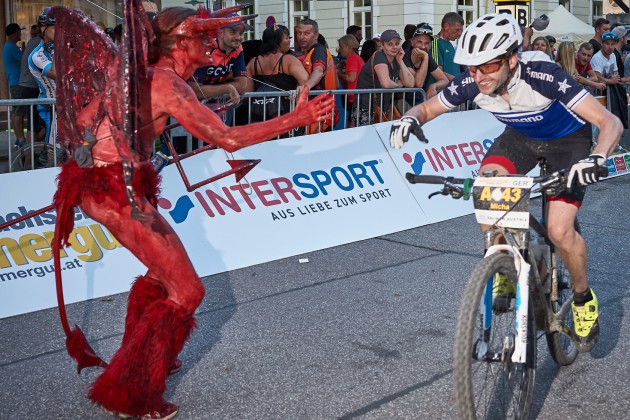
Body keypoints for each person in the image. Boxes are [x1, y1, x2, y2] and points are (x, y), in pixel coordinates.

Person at [50, 5, 333, 419]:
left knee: (160, 275)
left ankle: (145, 355)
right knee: (188, 290)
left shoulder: (148, 76)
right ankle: (132, 392)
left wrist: (109, 149)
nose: (211, 44)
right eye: (203, 38)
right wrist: (297, 117)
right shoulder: (163, 81)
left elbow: (86, 117)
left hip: (108, 184)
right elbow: (227, 140)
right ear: (181, 43)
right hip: (113, 191)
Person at [390, 13, 622, 352]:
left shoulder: (542, 74)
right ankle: (502, 262)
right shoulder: (472, 81)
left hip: (567, 141)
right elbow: (426, 109)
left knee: (559, 230)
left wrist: (597, 158)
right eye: (472, 68)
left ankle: (584, 297)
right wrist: (408, 120)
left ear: (512, 59)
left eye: (488, 67)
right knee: (487, 191)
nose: (479, 77)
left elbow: (609, 121)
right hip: (521, 136)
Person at [245, 24, 308, 125]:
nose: (289, 41)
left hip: (260, 118)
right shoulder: (288, 60)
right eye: (287, 38)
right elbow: (305, 80)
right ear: (277, 42)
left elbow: (247, 91)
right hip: (286, 118)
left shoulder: (253, 62)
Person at [352, 29, 414, 127]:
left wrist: (401, 62)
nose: (394, 47)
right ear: (382, 45)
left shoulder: (396, 59)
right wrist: (398, 85)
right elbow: (385, 83)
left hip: (382, 108)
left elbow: (410, 83)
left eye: (397, 43)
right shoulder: (379, 56)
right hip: (366, 109)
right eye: (390, 44)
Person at [190, 12, 251, 109]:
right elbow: (195, 90)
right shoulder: (206, 48)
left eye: (241, 33)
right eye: (233, 32)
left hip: (214, 105)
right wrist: (227, 88)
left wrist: (220, 89)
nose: (238, 37)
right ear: (221, 33)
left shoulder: (238, 48)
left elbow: (242, 86)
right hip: (188, 106)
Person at [295, 18, 339, 132]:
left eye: (306, 33)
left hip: (321, 111)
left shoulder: (318, 50)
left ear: (316, 35)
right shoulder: (310, 52)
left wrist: (306, 87)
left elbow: (318, 71)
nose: (302, 37)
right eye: (299, 33)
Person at [28, 9, 57, 145]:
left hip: (70, 105)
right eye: (56, 28)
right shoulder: (37, 55)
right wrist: (57, 47)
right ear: (44, 28)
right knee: (55, 147)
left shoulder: (63, 48)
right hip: (52, 107)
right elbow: (55, 74)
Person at [15, 22, 45, 146]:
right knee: (33, 125)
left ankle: (28, 151)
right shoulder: (39, 43)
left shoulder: (33, 42)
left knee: (34, 124)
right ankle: (28, 155)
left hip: (27, 85)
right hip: (31, 86)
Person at [405, 23, 448, 101]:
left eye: (427, 43)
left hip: (416, 100)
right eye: (419, 42)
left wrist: (433, 86)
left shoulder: (427, 57)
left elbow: (445, 80)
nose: (423, 46)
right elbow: (418, 83)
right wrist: (425, 57)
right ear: (412, 42)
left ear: (431, 45)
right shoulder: (404, 57)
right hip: (400, 102)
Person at [3, 23, 24, 148]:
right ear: (15, 33)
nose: (20, 34)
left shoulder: (8, 46)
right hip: (17, 83)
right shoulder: (11, 47)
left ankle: (18, 138)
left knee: (15, 112)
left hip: (14, 82)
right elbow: (25, 61)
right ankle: (21, 140)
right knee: (18, 113)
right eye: (19, 32)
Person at [431, 12, 464, 80]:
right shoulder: (435, 42)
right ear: (446, 26)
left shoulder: (449, 44)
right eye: (457, 30)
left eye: (460, 30)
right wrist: (458, 81)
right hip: (442, 89)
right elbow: (437, 71)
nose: (459, 34)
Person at [336, 34, 363, 112]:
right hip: (357, 95)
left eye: (341, 46)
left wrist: (338, 73)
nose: (339, 49)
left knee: (353, 122)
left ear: (348, 46)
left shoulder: (352, 58)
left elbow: (351, 78)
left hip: (354, 96)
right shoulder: (354, 57)